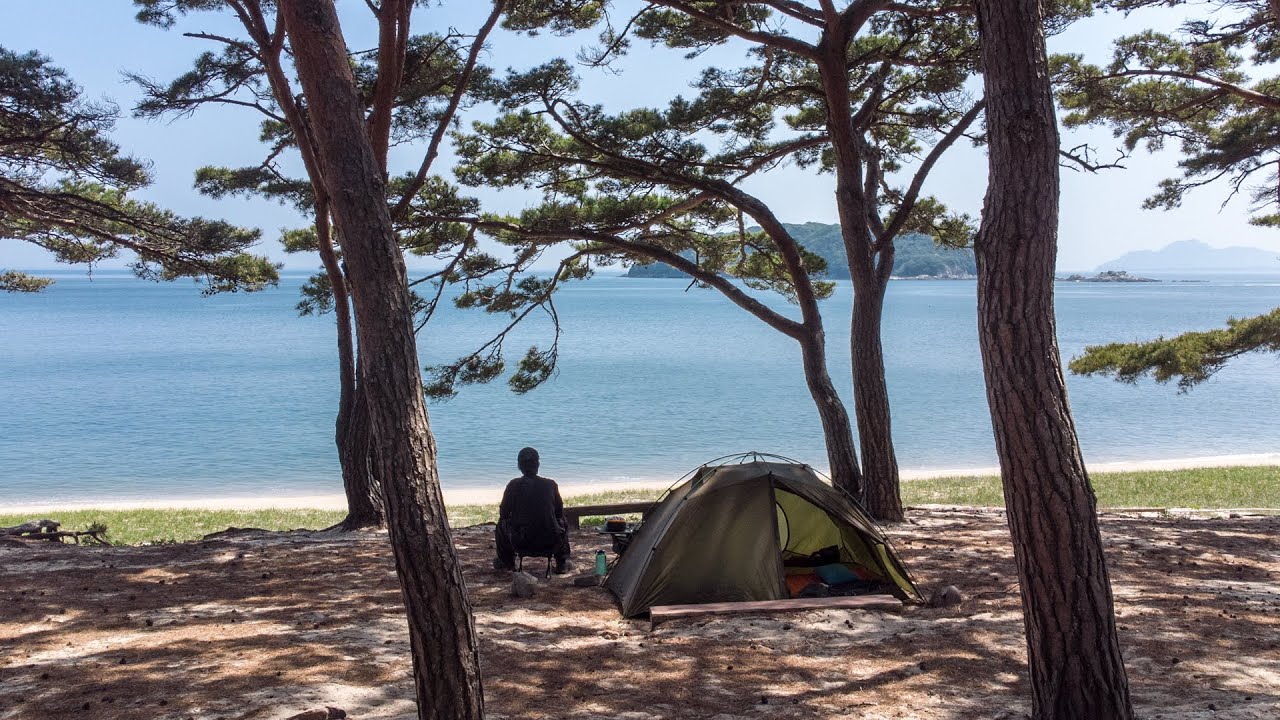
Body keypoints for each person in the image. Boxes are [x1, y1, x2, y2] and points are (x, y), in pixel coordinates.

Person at [494, 447, 571, 574]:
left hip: (521, 542)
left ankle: (507, 561)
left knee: (501, 524)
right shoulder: (550, 485)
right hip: (550, 541)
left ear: (519, 466)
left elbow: (503, 514)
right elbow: (559, 513)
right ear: (538, 464)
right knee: (562, 521)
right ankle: (561, 561)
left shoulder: (513, 485)